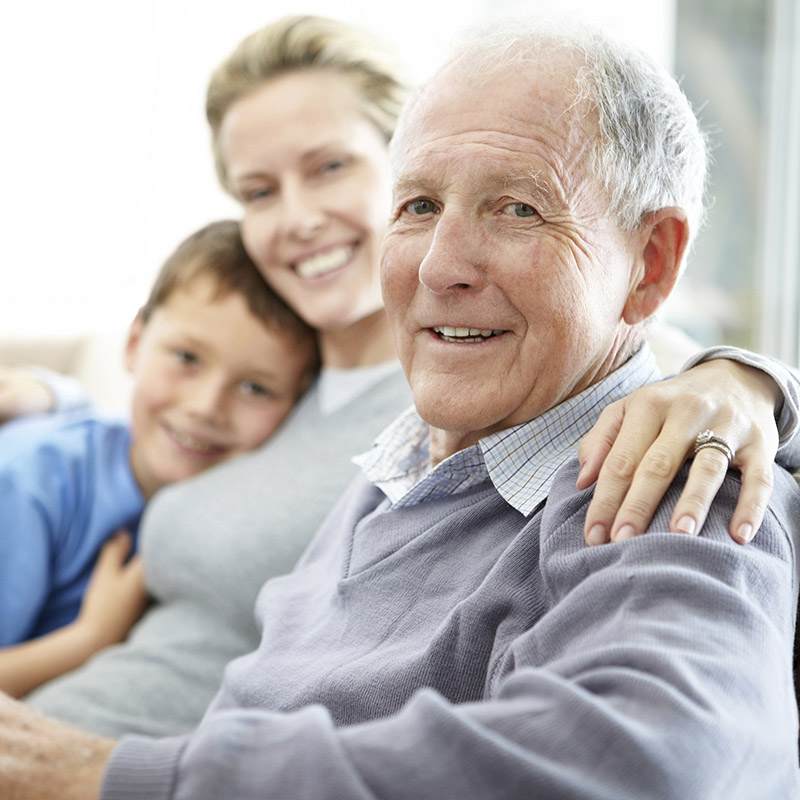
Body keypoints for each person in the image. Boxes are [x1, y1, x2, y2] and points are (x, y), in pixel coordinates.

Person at [1, 16, 798, 798]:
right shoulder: (398, 438)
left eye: (516, 208)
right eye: (419, 205)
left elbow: (654, 763)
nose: (440, 264)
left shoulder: (666, 476)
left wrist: (750, 382)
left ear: (650, 265)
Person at [0, 219, 318, 697]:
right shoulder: (28, 482)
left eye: (256, 388)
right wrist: (87, 640)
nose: (206, 406)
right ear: (134, 344)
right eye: (187, 358)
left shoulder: (247, 519)